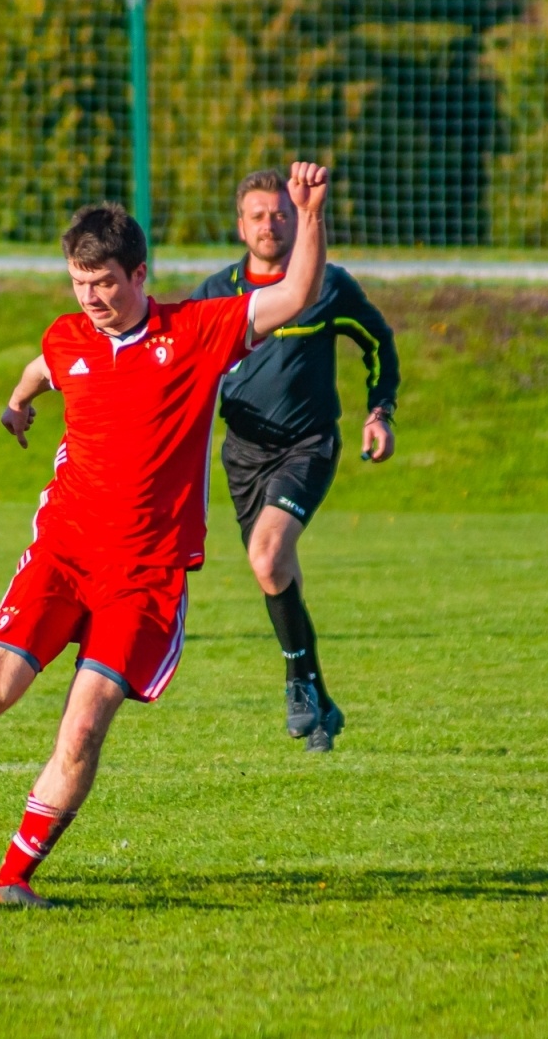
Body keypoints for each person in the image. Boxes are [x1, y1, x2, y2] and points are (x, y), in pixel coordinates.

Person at [0, 162, 332, 907]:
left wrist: (309, 212)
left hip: (145, 575)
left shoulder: (197, 331)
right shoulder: (69, 336)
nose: (93, 300)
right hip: (63, 553)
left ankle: (12, 877)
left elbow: (295, 294)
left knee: (84, 722)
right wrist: (15, 401)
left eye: (106, 284)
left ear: (139, 273)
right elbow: (48, 363)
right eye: (79, 284)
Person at [192, 169, 401, 752]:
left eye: (280, 213)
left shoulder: (327, 286)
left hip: (308, 446)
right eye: (257, 214)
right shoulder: (215, 295)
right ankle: (318, 696)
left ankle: (295, 684)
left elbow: (378, 342)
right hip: (243, 455)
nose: (269, 223)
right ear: (240, 225)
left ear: (297, 215)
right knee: (277, 572)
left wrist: (379, 412)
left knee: (267, 554)